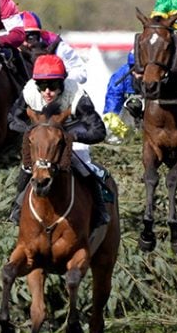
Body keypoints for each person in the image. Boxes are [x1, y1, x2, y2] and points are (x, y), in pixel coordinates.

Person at [6, 54, 110, 233]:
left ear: (63, 83)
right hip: (43, 137)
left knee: (83, 164)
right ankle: (17, 208)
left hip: (72, 132)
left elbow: (99, 131)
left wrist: (71, 137)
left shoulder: (76, 95)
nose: (47, 92)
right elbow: (12, 119)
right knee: (27, 166)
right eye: (42, 86)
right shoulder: (30, 91)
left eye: (53, 86)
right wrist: (32, 131)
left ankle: (100, 211)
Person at [18, 11, 87, 84]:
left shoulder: (58, 47)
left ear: (40, 34)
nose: (24, 43)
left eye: (30, 37)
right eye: (19, 37)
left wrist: (59, 82)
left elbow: (81, 73)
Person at [102, 51, 138, 143]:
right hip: (127, 111)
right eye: (134, 68)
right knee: (113, 134)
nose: (137, 73)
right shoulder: (121, 75)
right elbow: (113, 96)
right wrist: (112, 115)